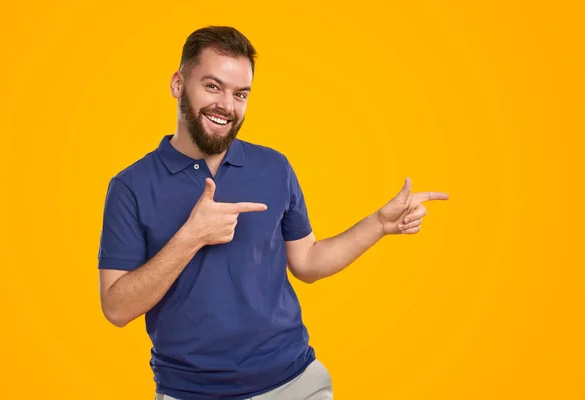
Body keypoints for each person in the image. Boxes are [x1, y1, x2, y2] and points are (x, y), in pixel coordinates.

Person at [97, 26, 449, 400]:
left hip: (296, 381)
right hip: (192, 392)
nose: (227, 106)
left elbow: (308, 262)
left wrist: (378, 224)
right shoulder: (130, 186)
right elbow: (116, 308)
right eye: (212, 87)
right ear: (178, 84)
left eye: (240, 94)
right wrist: (192, 236)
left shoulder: (273, 167)